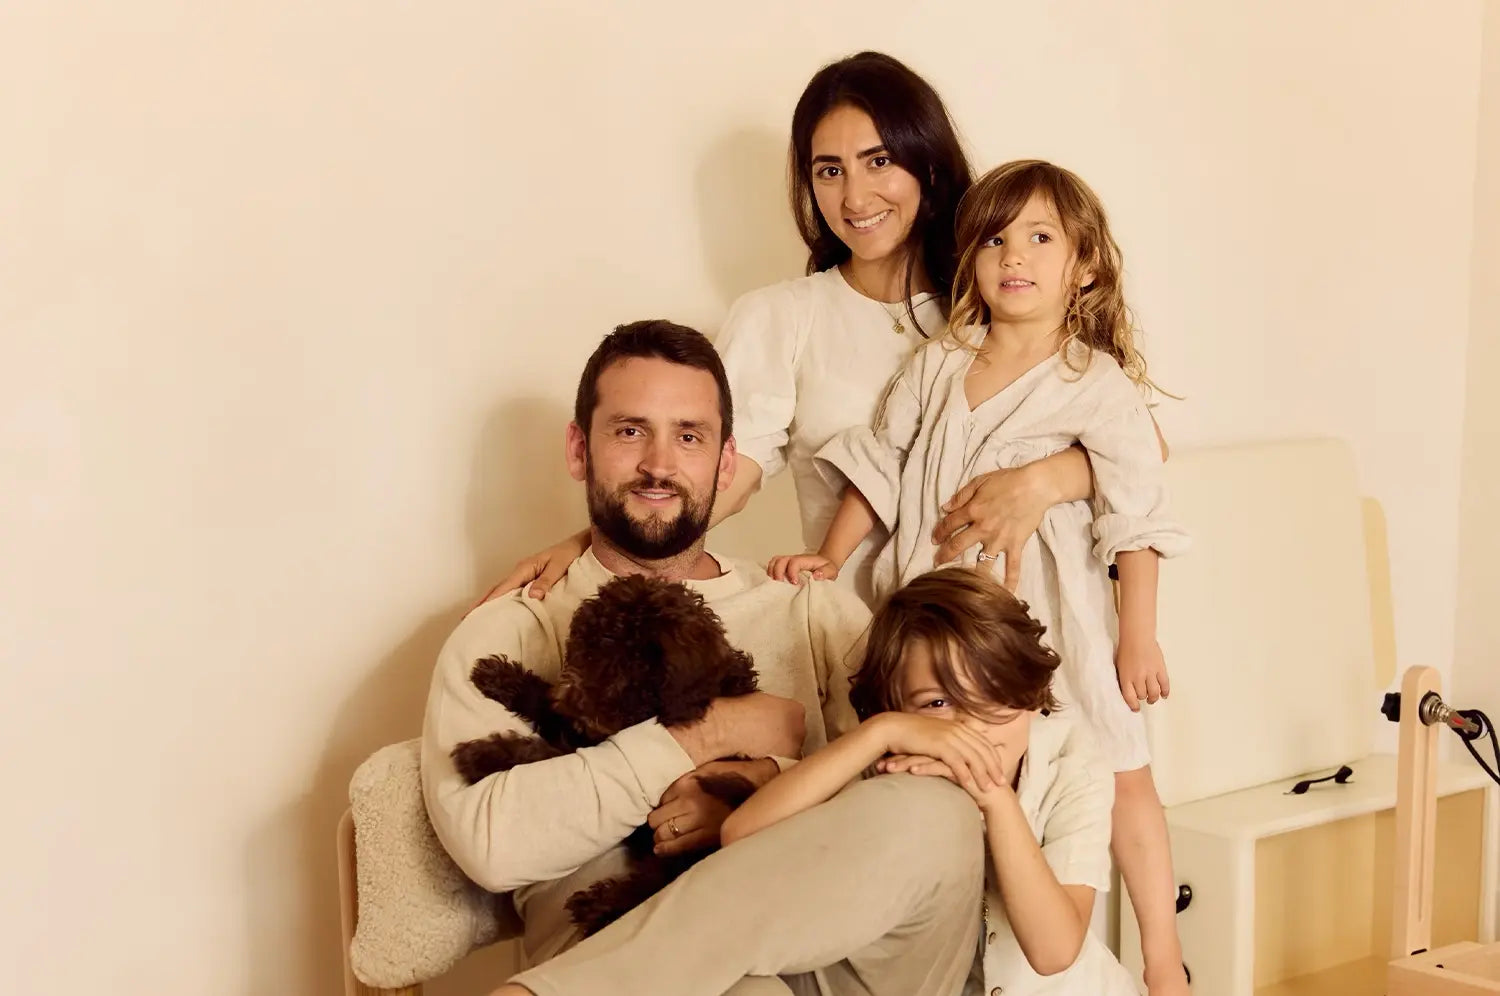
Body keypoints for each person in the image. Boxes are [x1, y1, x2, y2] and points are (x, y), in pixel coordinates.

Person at [423, 319, 984, 992]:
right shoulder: (510, 631)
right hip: (623, 941)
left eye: (688, 436)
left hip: (836, 965)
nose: (660, 464)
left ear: (724, 463)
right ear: (579, 449)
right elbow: (491, 844)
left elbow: (932, 765)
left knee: (936, 811)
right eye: (630, 431)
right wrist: (706, 737)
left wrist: (759, 797)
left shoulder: (808, 608)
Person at [475, 51, 1111, 610]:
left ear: (930, 166)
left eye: (879, 161)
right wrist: (590, 548)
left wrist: (1039, 482)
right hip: (875, 645)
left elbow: (1133, 438)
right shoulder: (781, 318)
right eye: (829, 170)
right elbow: (709, 481)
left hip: (1037, 621)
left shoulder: (1000, 298)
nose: (854, 197)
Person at [767, 160, 1191, 994]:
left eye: (1040, 238)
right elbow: (879, 465)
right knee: (948, 761)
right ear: (970, 259)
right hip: (940, 614)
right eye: (995, 240)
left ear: (1086, 265)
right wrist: (832, 551)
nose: (1015, 257)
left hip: (1054, 616)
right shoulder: (940, 362)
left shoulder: (1094, 386)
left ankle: (1163, 954)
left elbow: (1136, 517)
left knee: (1119, 767)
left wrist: (1137, 634)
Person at [723, 568, 1139, 993]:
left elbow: (1054, 953)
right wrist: (880, 733)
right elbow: (740, 835)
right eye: (937, 703)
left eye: (992, 692)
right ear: (895, 708)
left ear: (1032, 693)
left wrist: (997, 800)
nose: (968, 727)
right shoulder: (892, 766)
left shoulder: (1072, 763)